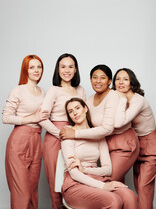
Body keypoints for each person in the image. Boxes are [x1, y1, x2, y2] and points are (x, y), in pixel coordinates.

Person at [60, 64, 139, 182]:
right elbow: (84, 119)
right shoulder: (89, 100)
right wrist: (68, 129)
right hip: (104, 142)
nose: (98, 81)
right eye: (95, 77)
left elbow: (107, 129)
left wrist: (74, 133)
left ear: (109, 81)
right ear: (90, 79)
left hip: (123, 143)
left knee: (109, 180)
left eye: (102, 77)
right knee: (113, 182)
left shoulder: (113, 96)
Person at [61, 97, 138, 209]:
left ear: (85, 108)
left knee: (130, 196)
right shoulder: (67, 134)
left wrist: (85, 169)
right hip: (75, 185)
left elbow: (108, 169)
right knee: (114, 200)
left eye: (77, 108)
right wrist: (103, 186)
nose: (75, 113)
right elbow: (74, 173)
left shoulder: (97, 135)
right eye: (71, 111)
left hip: (96, 179)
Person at [39, 53, 85, 209]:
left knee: (76, 179)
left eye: (71, 66)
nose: (67, 70)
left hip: (76, 137)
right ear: (58, 70)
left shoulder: (81, 90)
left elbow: (85, 115)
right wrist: (59, 133)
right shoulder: (54, 90)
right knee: (56, 182)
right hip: (55, 139)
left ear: (76, 69)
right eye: (63, 66)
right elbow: (41, 117)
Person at [2, 55, 48, 209]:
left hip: (36, 141)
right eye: (32, 67)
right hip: (19, 140)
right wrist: (32, 117)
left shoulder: (42, 92)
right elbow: (6, 117)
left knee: (32, 190)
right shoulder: (19, 90)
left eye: (39, 67)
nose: (36, 70)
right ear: (25, 70)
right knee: (22, 192)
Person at [112, 68, 156, 209]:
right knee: (139, 185)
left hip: (151, 143)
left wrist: (120, 98)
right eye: (118, 79)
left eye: (125, 79)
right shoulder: (117, 98)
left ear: (132, 82)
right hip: (135, 144)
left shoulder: (138, 100)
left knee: (144, 186)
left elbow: (120, 122)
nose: (121, 82)